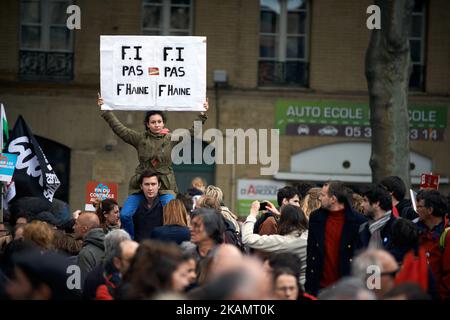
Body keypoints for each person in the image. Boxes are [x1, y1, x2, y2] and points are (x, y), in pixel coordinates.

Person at [97, 94, 209, 236]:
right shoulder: (139, 139)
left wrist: (202, 115)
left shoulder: (171, 139)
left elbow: (190, 133)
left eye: (159, 121)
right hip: (141, 183)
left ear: (163, 123)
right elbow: (121, 130)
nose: (157, 124)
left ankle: (166, 238)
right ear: (148, 124)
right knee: (125, 214)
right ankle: (130, 239)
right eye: (153, 122)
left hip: (166, 184)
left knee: (171, 214)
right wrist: (106, 112)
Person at [305, 181, 367, 296]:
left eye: (323, 195)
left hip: (347, 289)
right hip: (319, 288)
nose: (319, 198)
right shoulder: (316, 218)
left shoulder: (359, 221)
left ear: (333, 199)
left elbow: (362, 256)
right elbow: (311, 252)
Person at [242, 202, 308, 286]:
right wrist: (280, 214)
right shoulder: (310, 236)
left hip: (285, 285)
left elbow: (247, 239)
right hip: (306, 285)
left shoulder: (283, 241)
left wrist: (252, 214)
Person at [415, 189, 450, 299]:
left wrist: (441, 296)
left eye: (420, 207)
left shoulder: (447, 234)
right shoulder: (416, 231)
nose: (417, 210)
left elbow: (449, 274)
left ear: (430, 210)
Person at [357, 184, 397, 250]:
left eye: (365, 200)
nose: (361, 204)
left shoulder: (398, 227)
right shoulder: (363, 228)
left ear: (376, 203)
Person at [74, 212, 105, 287]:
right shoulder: (109, 245)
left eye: (76, 224)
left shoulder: (86, 253)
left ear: (84, 228)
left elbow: (83, 287)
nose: (73, 227)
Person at [133, 171, 164, 242]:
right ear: (141, 186)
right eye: (147, 184)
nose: (150, 188)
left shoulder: (164, 204)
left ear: (159, 185)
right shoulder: (135, 205)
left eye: (153, 184)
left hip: (160, 248)